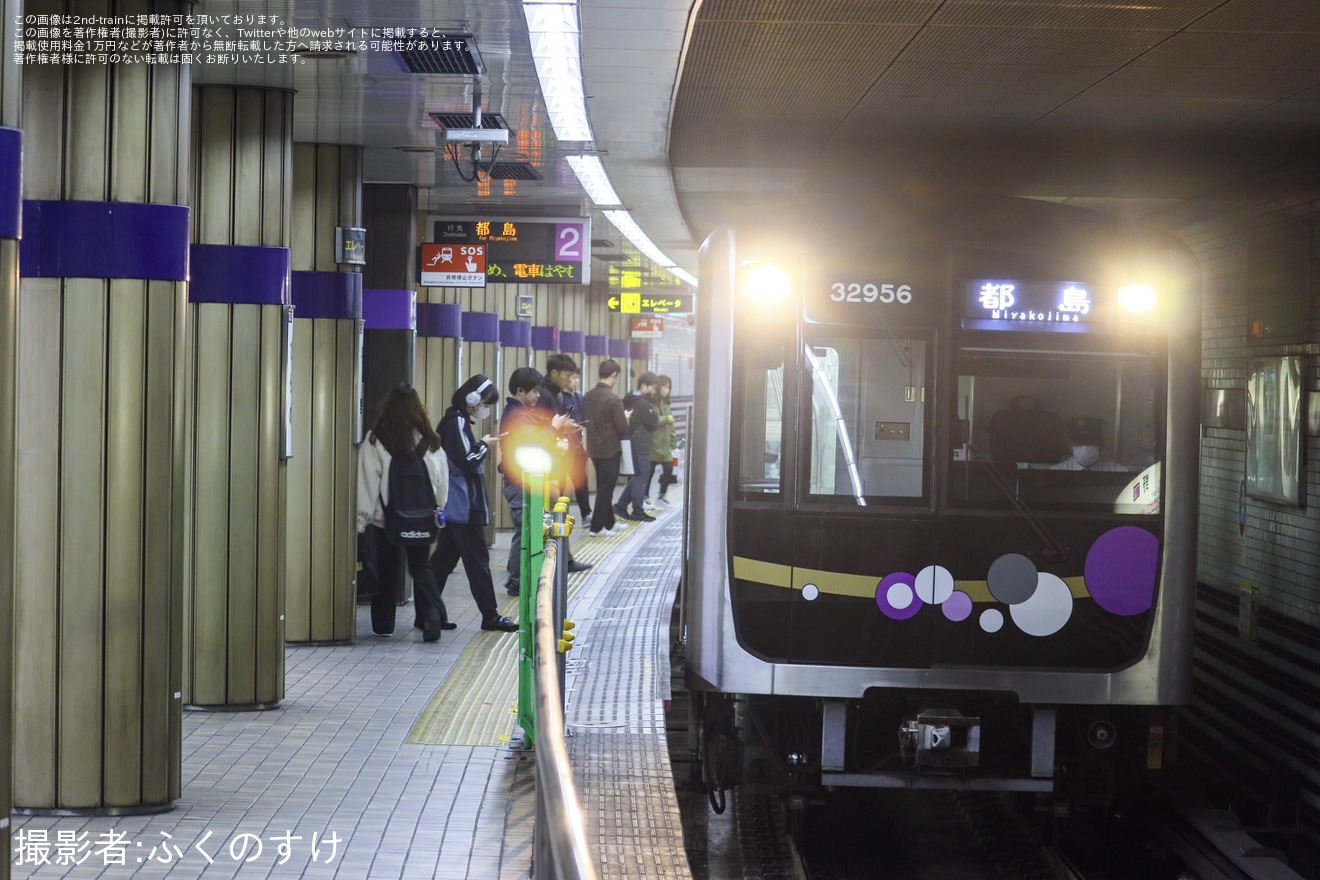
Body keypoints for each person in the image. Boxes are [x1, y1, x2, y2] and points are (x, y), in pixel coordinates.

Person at [356, 384, 451, 641]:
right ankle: (430, 616)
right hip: (422, 517)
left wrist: (361, 521)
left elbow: (367, 483)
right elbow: (441, 480)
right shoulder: (431, 440)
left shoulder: (376, 439)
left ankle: (384, 623)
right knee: (421, 567)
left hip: (386, 519)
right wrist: (438, 509)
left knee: (388, 568)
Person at [430, 375, 519, 632]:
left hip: (457, 506)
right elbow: (467, 459)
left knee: (441, 564)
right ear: (472, 399)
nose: (485, 408)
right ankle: (490, 616)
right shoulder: (456, 421)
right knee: (478, 564)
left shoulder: (455, 421)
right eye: (485, 403)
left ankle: (427, 614)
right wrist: (485, 445)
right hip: (463, 507)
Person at [538, 353, 593, 574]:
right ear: (554, 373)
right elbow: (544, 428)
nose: (570, 379)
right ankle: (561, 559)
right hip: (549, 463)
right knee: (553, 510)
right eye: (567, 375)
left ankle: (563, 558)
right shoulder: (545, 396)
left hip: (557, 459)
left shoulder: (555, 395)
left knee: (558, 508)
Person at [581, 359, 630, 537]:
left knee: (604, 486)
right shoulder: (613, 399)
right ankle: (597, 528)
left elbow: (585, 420)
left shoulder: (588, 396)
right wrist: (626, 418)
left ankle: (610, 523)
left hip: (594, 448)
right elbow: (622, 428)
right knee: (605, 489)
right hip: (610, 449)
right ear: (614, 375)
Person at [615, 371, 660, 522]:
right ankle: (637, 511)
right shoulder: (641, 402)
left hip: (635, 442)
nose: (654, 392)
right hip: (640, 443)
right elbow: (653, 421)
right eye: (652, 388)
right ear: (643, 386)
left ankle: (621, 506)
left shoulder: (631, 399)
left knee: (636, 478)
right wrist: (653, 414)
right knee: (640, 478)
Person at [1050, 416, 1130, 471]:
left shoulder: (1118, 471)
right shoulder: (1056, 472)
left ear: (1101, 442)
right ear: (1070, 444)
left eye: (1090, 441)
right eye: (1079, 442)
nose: (1085, 447)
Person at [564, 367, 593, 520]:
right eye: (572, 378)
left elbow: (584, 416)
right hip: (564, 447)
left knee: (581, 480)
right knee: (561, 482)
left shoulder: (579, 397)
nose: (575, 381)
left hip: (578, 444)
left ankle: (586, 513)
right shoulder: (560, 398)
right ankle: (557, 515)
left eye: (577, 378)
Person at [648, 374, 678, 505]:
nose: (667, 390)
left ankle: (661, 495)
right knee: (649, 473)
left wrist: (673, 442)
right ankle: (644, 496)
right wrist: (666, 419)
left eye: (669, 388)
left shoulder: (667, 404)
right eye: (665, 387)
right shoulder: (651, 403)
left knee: (669, 469)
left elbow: (671, 426)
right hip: (653, 445)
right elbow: (653, 420)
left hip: (665, 445)